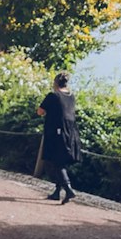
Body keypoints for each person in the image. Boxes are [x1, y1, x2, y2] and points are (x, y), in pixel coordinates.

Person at [37, 71, 80, 204]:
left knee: (56, 162)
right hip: (71, 132)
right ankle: (57, 192)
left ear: (55, 83)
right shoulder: (71, 96)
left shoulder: (53, 96)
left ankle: (68, 189)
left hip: (56, 132)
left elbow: (40, 111)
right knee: (60, 161)